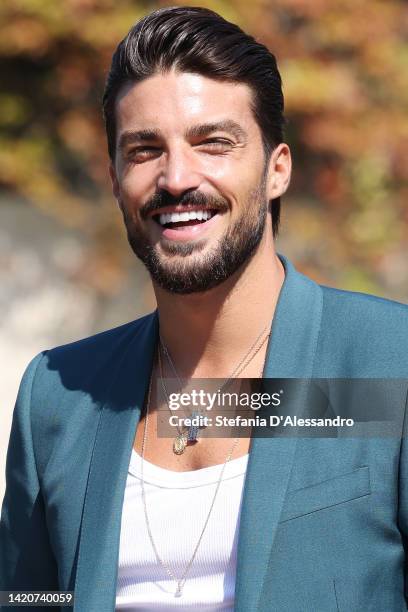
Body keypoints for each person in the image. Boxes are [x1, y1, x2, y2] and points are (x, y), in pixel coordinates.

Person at [1, 6, 408, 612]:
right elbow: (26, 598)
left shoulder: (385, 362)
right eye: (143, 150)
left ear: (276, 170)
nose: (176, 177)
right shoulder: (60, 395)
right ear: (114, 179)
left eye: (212, 143)